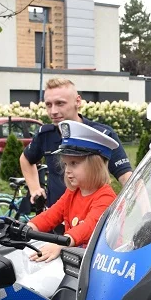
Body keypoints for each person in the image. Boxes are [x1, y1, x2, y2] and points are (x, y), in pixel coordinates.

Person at [20, 78, 132, 209]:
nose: (53, 111)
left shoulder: (102, 134)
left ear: (77, 101)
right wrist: (35, 189)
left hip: (91, 219)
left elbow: (127, 177)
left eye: (60, 103)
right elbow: (26, 159)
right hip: (55, 219)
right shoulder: (45, 135)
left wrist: (146, 214)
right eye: (48, 105)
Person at [25, 120, 118, 262]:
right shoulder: (73, 192)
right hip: (77, 259)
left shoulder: (106, 197)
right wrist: (27, 228)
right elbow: (51, 215)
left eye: (74, 163)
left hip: (100, 265)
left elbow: (89, 227)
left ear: (95, 165)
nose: (67, 170)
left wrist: (60, 243)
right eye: (66, 164)